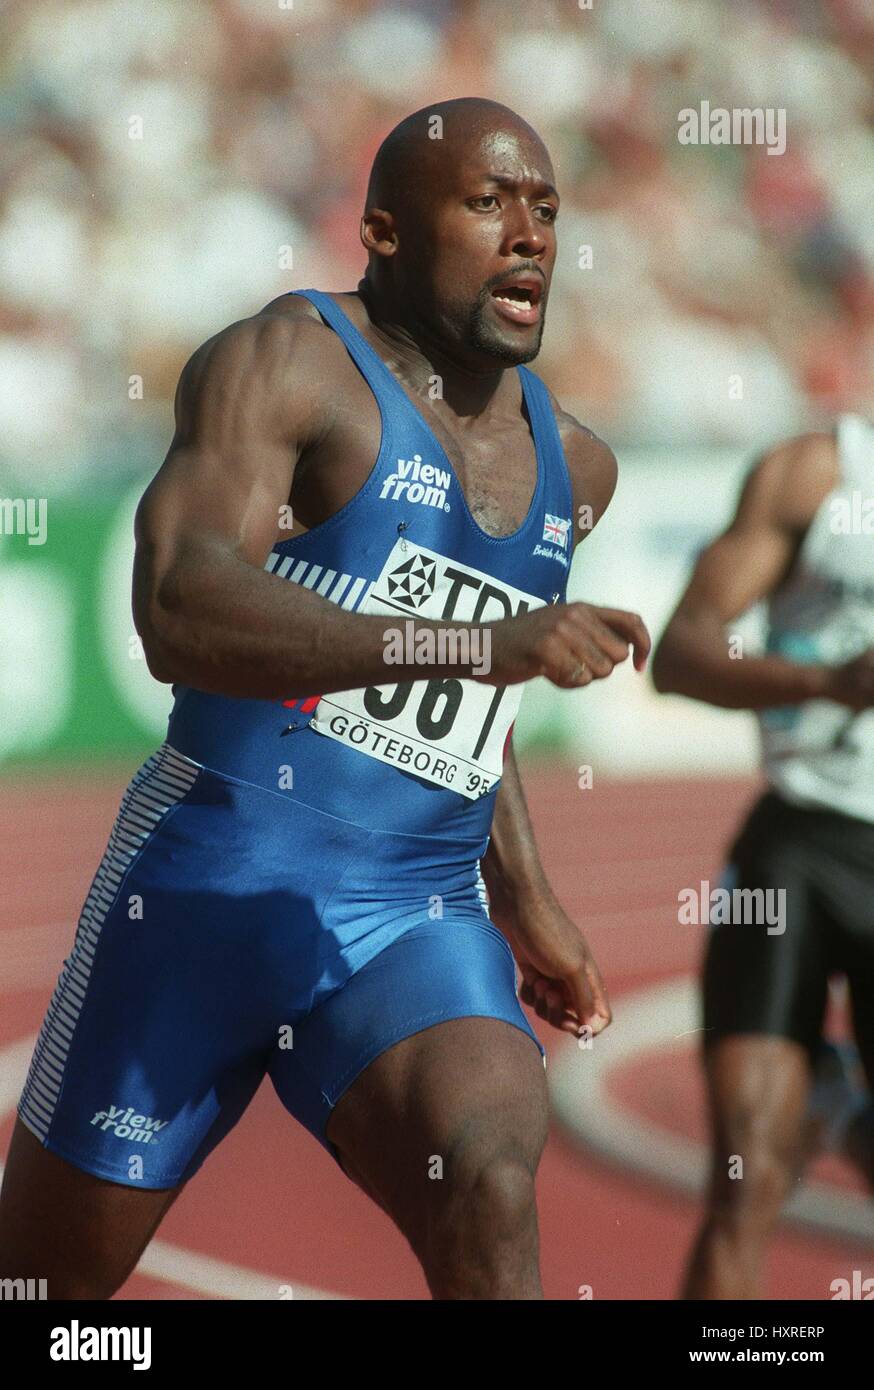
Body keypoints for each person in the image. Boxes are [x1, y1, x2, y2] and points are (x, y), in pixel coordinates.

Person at [0, 97, 649, 1301]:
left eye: (546, 208)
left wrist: (528, 896)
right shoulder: (285, 365)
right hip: (199, 902)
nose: (529, 234)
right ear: (386, 230)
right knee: (42, 1298)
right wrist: (469, 641)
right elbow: (179, 612)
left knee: (494, 1186)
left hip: (410, 917)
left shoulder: (578, 466)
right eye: (488, 201)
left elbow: (475, 714)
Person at [652, 416, 874, 1299]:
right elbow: (682, 653)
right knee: (746, 1176)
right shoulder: (818, 472)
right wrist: (826, 682)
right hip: (801, 848)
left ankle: (844, 1113)